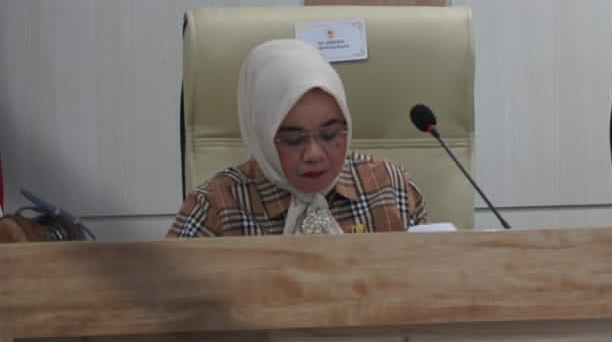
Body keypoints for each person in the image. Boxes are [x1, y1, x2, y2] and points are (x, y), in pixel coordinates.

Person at [169, 39, 428, 236]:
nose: (314, 154)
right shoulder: (215, 207)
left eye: (330, 135)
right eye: (293, 140)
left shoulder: (389, 186)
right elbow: (164, 292)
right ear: (262, 137)